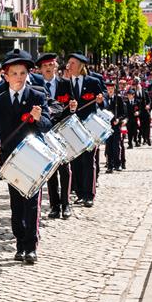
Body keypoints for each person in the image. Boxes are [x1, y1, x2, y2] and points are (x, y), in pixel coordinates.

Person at [0, 49, 51, 264]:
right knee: (16, 204)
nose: (18, 78)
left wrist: (39, 117)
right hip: (10, 158)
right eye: (14, 74)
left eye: (22, 73)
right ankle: (19, 241)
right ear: (5, 76)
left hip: (32, 157)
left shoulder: (38, 96)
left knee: (31, 202)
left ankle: (31, 246)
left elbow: (47, 126)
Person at [35, 53, 72, 220]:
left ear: (56, 66)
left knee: (65, 169)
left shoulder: (65, 83)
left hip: (62, 131)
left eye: (51, 65)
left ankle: (66, 204)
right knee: (50, 170)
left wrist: (72, 108)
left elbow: (73, 105)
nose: (48, 68)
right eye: (45, 66)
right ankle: (54, 206)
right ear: (41, 69)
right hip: (46, 131)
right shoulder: (36, 86)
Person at [65, 53, 105, 208]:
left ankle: (89, 195)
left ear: (81, 65)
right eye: (68, 63)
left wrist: (101, 101)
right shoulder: (66, 83)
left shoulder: (93, 81)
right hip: (72, 128)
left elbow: (104, 99)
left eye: (72, 63)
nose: (69, 66)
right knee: (75, 162)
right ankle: (80, 193)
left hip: (89, 128)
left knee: (88, 161)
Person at [103, 81, 126, 174]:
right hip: (107, 126)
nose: (110, 91)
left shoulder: (118, 99)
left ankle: (118, 164)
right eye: (108, 89)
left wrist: (119, 120)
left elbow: (123, 113)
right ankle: (109, 165)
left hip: (116, 126)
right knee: (108, 147)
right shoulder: (104, 99)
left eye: (111, 89)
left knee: (116, 146)